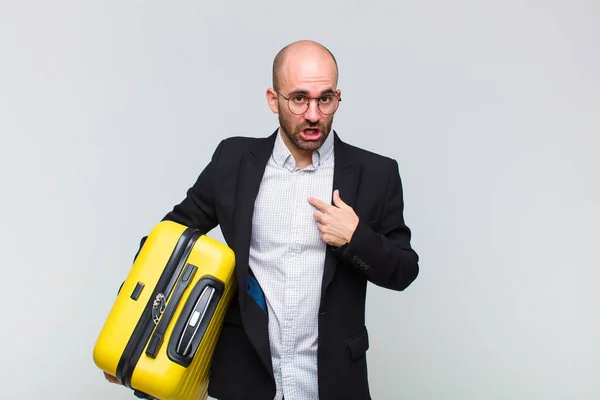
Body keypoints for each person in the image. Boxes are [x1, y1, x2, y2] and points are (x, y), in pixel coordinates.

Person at [106, 40, 419, 400]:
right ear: (274, 99)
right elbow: (165, 242)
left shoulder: (375, 173)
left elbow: (404, 271)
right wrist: (132, 332)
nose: (314, 114)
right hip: (244, 379)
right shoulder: (233, 161)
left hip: (332, 382)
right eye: (299, 99)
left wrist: (354, 237)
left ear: (338, 97)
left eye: (325, 98)